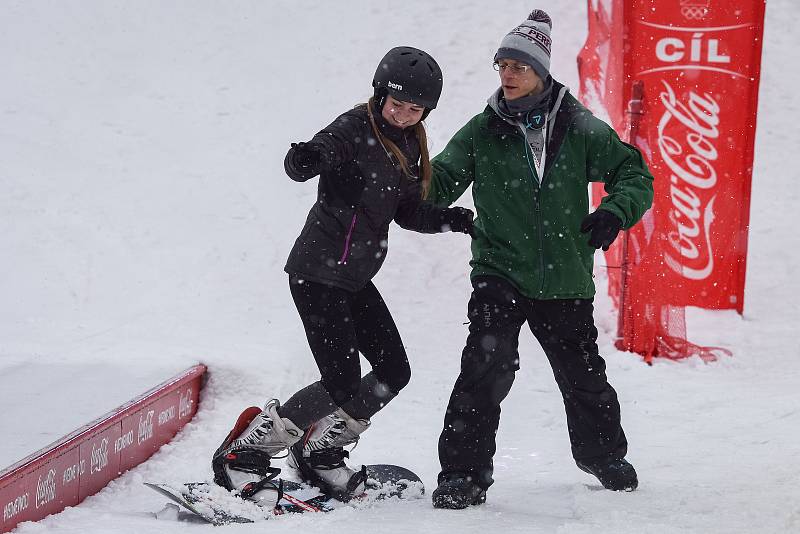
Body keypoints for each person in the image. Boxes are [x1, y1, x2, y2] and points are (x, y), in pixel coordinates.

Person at [210, 46, 475, 503]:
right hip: (317, 273)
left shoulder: (410, 143)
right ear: (379, 95)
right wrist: (306, 159)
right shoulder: (353, 129)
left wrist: (449, 219)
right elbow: (312, 156)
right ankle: (243, 455)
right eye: (397, 105)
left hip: (352, 278)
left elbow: (408, 211)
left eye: (415, 110)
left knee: (394, 370)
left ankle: (319, 451)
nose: (404, 115)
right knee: (341, 380)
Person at [426, 10, 655, 509]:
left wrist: (615, 212)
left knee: (583, 373)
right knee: (486, 365)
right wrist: (399, 162)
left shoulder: (579, 127)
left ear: (542, 73)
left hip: (565, 277)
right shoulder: (482, 130)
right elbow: (438, 181)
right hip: (499, 270)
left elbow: (634, 174)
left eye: (518, 67)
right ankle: (463, 474)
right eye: (502, 64)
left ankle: (603, 455)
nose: (507, 75)